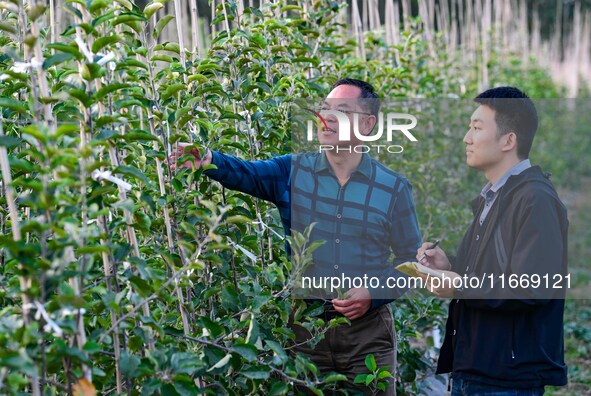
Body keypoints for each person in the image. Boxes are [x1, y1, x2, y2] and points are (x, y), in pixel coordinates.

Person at [172, 78, 422, 395]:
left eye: (342, 111)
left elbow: (411, 263)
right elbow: (246, 172)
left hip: (368, 335)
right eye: (324, 109)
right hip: (307, 330)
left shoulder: (392, 188)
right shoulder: (291, 172)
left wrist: (373, 292)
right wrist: (210, 160)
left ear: (368, 124)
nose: (327, 118)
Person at [416, 87, 568, 395]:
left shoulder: (534, 199)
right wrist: (451, 265)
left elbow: (530, 287)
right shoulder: (494, 197)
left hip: (506, 379)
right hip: (477, 368)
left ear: (508, 140)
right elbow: (494, 272)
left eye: (476, 128)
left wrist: (457, 284)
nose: (466, 138)